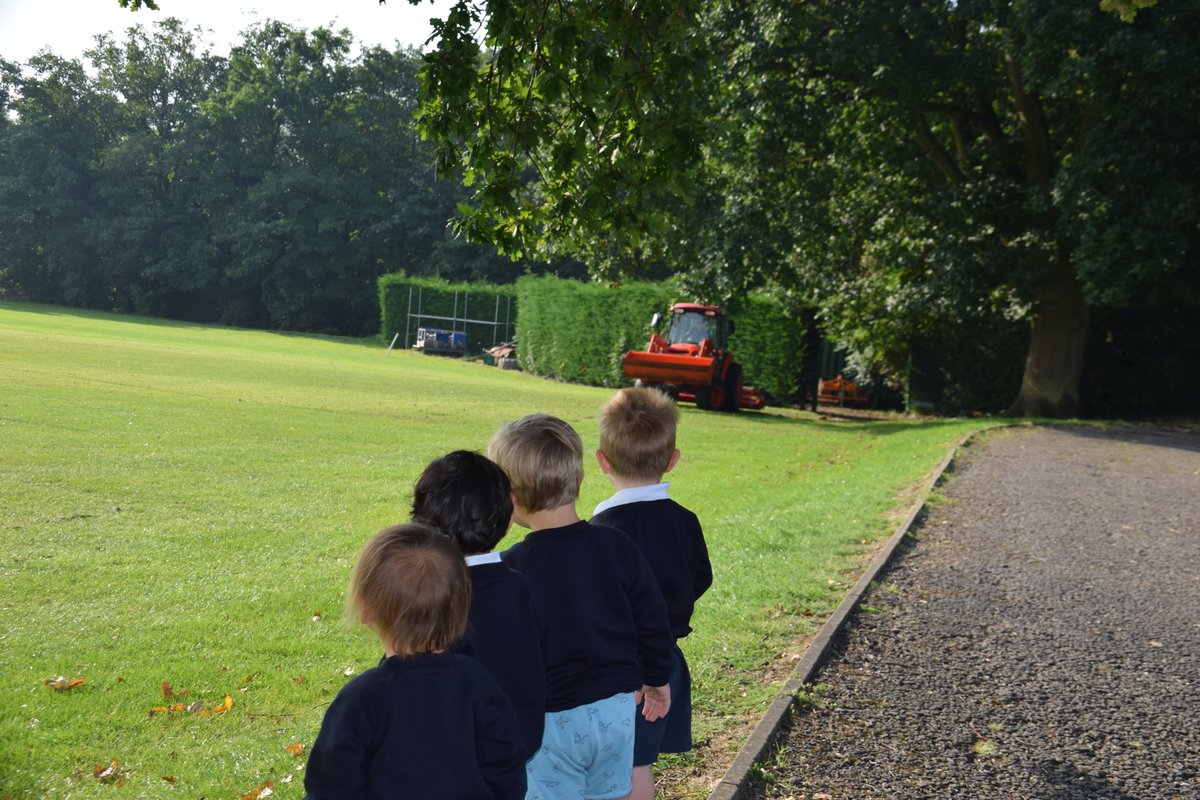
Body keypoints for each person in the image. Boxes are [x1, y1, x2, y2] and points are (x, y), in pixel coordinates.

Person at [487, 414, 676, 800]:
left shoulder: (511, 569)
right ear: (580, 476)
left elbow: (506, 655)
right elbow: (653, 624)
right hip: (616, 714)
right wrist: (657, 679)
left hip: (551, 724)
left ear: (511, 497)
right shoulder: (617, 546)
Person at [304, 522, 527, 800]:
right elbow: (507, 770)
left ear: (366, 609)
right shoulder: (479, 684)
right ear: (458, 610)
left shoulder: (361, 699)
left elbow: (330, 786)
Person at [590, 387, 714, 800]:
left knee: (618, 765)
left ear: (602, 461)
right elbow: (701, 578)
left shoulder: (600, 533)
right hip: (666, 663)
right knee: (637, 762)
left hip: (617, 668)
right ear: (672, 459)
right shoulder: (685, 522)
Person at [411, 449, 549, 761]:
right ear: (507, 520)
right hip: (517, 750)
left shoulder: (431, 599)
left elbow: (402, 678)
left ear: (422, 524)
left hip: (454, 759)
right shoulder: (523, 589)